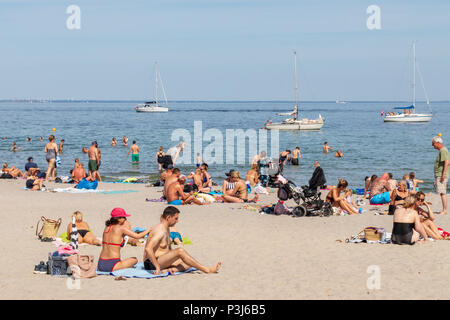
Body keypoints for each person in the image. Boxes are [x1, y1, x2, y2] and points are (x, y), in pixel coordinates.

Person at [143, 206, 221, 274]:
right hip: (151, 263)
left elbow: (168, 249)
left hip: (162, 260)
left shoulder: (167, 228)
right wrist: (157, 267)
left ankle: (169, 270)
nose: (177, 221)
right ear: (168, 218)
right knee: (180, 251)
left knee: (189, 262)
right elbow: (148, 248)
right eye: (176, 218)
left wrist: (173, 257)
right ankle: (207, 270)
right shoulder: (160, 230)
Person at [97, 208, 151, 272]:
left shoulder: (107, 227)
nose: (125, 219)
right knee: (135, 260)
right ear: (119, 219)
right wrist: (149, 230)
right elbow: (137, 236)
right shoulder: (121, 229)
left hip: (100, 264)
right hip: (113, 265)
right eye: (124, 217)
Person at [432, 136, 449, 215]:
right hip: (439, 175)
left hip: (441, 175)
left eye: (433, 143)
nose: (433, 145)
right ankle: (444, 209)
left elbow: (447, 162)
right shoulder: (442, 151)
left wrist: (443, 175)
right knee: (441, 192)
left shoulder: (443, 150)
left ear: (437, 143)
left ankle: (444, 210)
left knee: (442, 193)